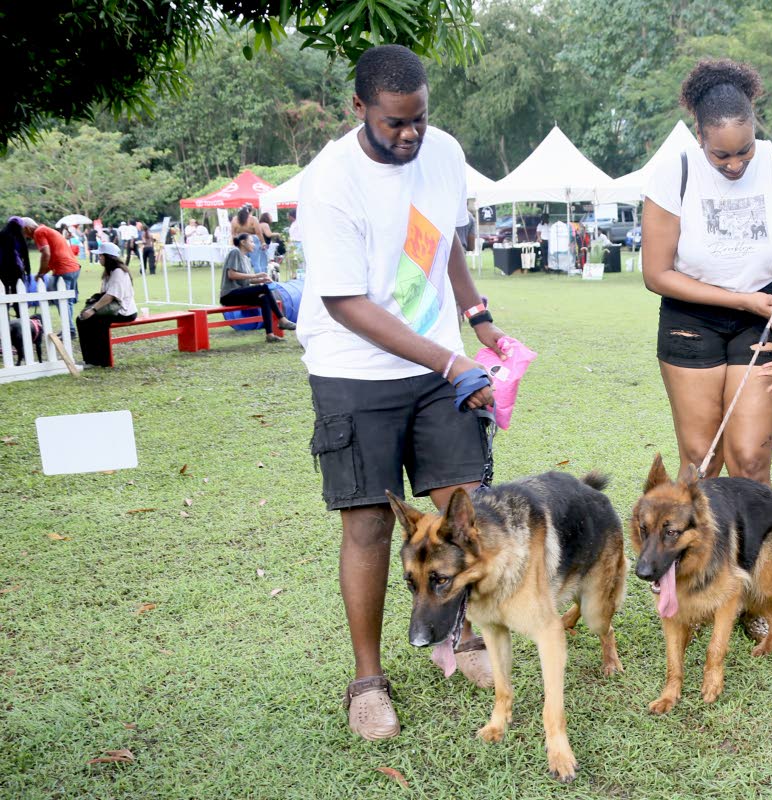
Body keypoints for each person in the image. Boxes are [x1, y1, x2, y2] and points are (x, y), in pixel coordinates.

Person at [297, 44, 509, 741]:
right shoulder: (330, 182)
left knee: (461, 510)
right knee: (367, 522)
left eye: (418, 118)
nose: (410, 134)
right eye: (394, 123)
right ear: (359, 108)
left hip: (438, 364)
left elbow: (442, 236)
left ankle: (470, 636)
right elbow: (346, 303)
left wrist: (477, 320)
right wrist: (452, 363)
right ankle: (367, 679)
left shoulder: (441, 152)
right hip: (353, 370)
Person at [642, 56, 772, 485]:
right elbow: (656, 273)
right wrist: (741, 300)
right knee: (701, 462)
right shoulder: (673, 174)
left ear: (755, 126)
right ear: (699, 134)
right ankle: (701, 552)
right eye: (720, 154)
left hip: (766, 320)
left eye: (745, 149)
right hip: (691, 318)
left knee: (750, 461)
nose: (735, 164)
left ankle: (752, 553)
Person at [219, 233, 295, 342]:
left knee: (264, 298)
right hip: (229, 295)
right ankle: (282, 319)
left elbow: (247, 279)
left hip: (240, 293)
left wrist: (262, 279)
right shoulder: (235, 252)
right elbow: (231, 274)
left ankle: (270, 335)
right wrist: (256, 276)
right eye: (251, 241)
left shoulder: (246, 259)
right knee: (264, 288)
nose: (254, 245)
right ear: (243, 242)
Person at [76, 242, 137, 366]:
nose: (99, 258)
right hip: (113, 309)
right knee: (81, 320)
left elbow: (110, 296)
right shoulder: (109, 272)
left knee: (96, 322)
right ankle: (90, 359)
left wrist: (92, 310)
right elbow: (104, 294)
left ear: (108, 257)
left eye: (101, 256)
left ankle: (101, 360)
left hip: (123, 311)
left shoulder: (118, 272)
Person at [22, 217, 82, 325]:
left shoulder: (38, 232)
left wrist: (40, 273)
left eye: (23, 232)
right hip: (74, 268)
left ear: (27, 228)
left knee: (61, 301)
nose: (24, 236)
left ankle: (69, 329)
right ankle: (70, 329)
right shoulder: (45, 230)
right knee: (67, 301)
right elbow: (52, 256)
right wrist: (43, 273)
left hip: (63, 269)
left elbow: (46, 254)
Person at [1, 216, 31, 296]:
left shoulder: (2, 235)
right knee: (18, 292)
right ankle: (18, 308)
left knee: (4, 292)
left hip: (2, 270)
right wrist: (27, 271)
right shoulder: (20, 238)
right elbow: (25, 256)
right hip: (16, 269)